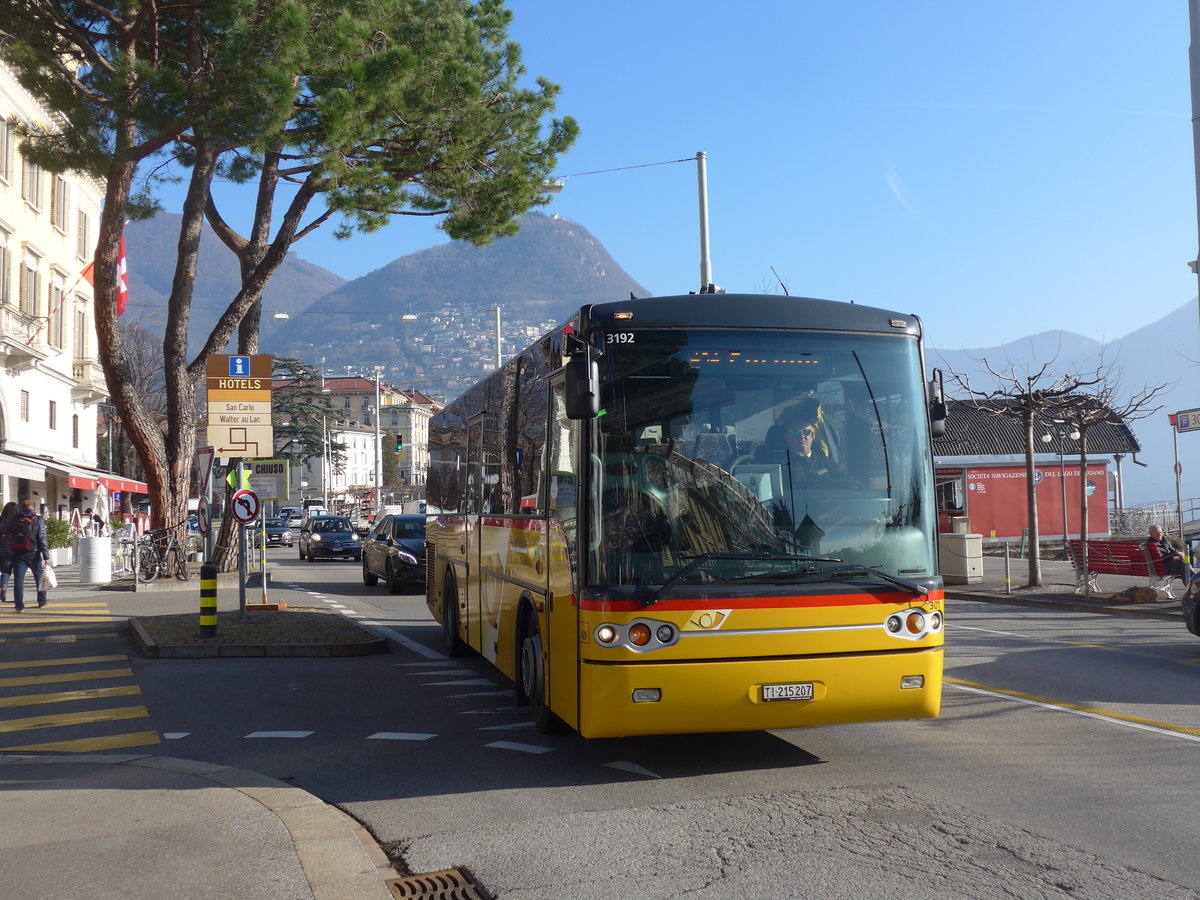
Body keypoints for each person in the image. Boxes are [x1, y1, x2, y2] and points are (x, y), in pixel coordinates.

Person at [7, 499, 52, 612]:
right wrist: (46, 556)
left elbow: (9, 534)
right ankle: (42, 602)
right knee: (39, 578)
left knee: (18, 580)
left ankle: (19, 606)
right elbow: (42, 539)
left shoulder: (16, 519)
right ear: (33, 507)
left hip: (18, 553)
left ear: (23, 507)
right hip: (34, 553)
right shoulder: (38, 520)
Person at [0, 500, 17, 603]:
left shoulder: (1, 521)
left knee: (5, 569)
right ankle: (18, 595)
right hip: (15, 548)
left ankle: (3, 586)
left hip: (2, 548)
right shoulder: (18, 521)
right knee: (18, 572)